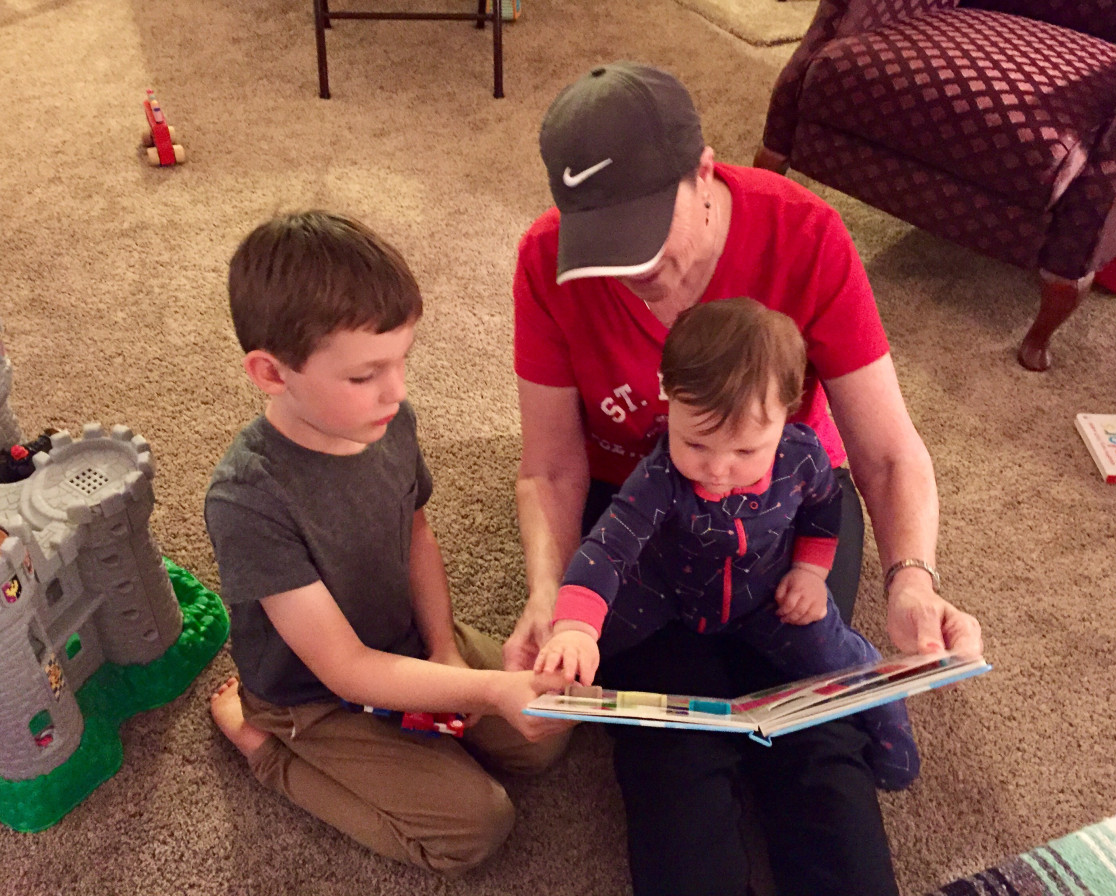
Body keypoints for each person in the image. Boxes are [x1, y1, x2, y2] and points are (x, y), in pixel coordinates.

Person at [504, 61, 984, 896]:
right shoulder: (545, 259)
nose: (630, 269)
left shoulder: (804, 233)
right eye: (604, 240)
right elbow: (549, 465)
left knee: (816, 730)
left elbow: (886, 453)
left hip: (787, 507)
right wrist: (550, 593)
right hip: (642, 517)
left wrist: (912, 578)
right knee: (671, 755)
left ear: (704, 172)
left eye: (646, 231)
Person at [205, 210, 571, 876]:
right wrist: (487, 692)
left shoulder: (388, 422)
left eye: (402, 361)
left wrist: (444, 651)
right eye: (364, 375)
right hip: (314, 697)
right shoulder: (248, 499)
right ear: (272, 373)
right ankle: (264, 749)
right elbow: (344, 668)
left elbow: (416, 531)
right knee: (475, 829)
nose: (396, 391)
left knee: (551, 731)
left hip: (401, 641)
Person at [533, 297, 918, 791]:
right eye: (695, 443)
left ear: (787, 414)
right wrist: (574, 630)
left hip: (768, 594)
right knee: (579, 643)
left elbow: (824, 509)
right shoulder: (658, 476)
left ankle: (886, 708)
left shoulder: (803, 458)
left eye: (745, 450)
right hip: (667, 589)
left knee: (831, 653)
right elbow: (608, 549)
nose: (716, 469)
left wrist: (809, 572)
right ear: (669, 398)